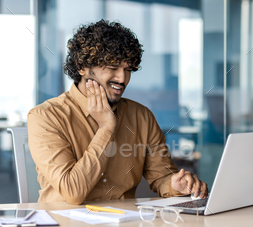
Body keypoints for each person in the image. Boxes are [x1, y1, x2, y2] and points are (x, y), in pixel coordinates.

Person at [27, 20, 208, 205]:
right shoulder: (45, 117)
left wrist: (176, 185)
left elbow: (161, 177)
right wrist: (106, 128)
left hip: (125, 224)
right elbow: (73, 192)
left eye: (128, 69)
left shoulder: (142, 117)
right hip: (65, 225)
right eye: (113, 68)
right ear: (81, 67)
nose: (122, 78)